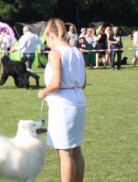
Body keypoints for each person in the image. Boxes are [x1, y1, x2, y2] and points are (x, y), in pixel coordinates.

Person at [38, 18, 86, 182]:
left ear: (51, 35)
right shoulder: (77, 52)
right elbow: (84, 83)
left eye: (47, 39)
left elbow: (56, 82)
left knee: (65, 153)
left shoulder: (55, 52)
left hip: (63, 103)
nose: (47, 43)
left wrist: (43, 91)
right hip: (78, 98)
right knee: (76, 150)